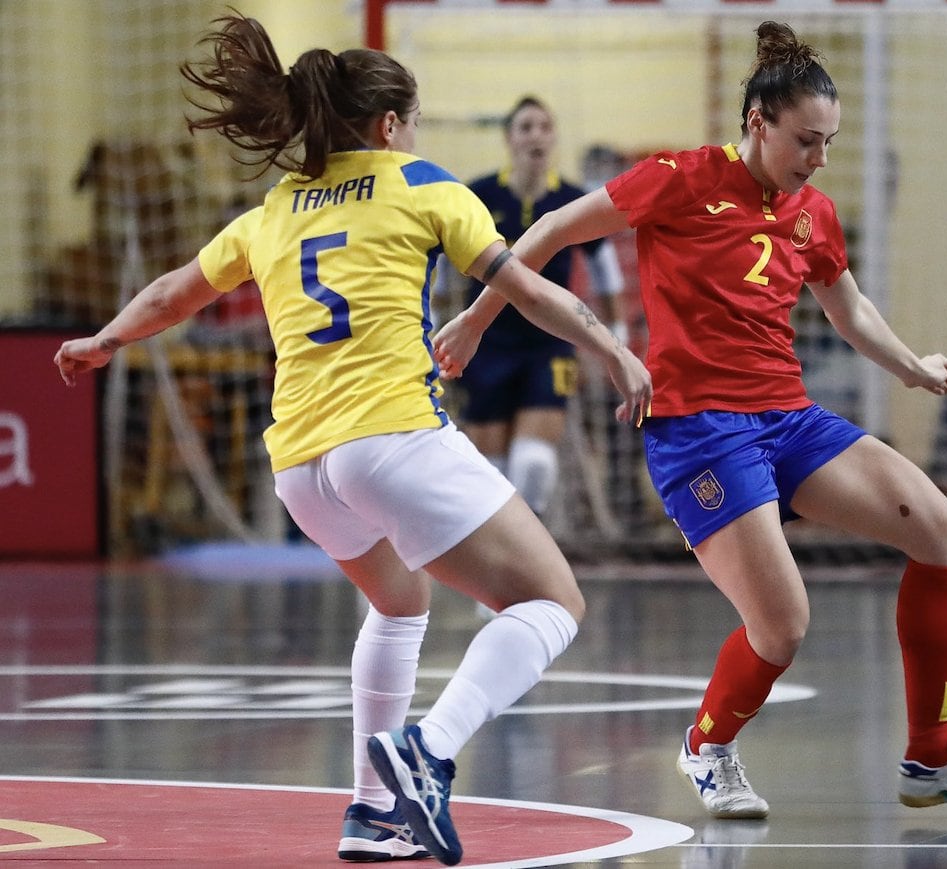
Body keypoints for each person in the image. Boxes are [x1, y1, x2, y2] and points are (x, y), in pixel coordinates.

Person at [53, 12, 650, 866]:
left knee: (399, 602)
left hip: (300, 465)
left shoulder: (275, 208)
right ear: (387, 126)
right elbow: (527, 287)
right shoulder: (424, 183)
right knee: (552, 601)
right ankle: (429, 749)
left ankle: (372, 812)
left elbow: (173, 290)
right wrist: (616, 348)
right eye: (412, 118)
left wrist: (105, 339)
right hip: (391, 437)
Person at [433, 20, 947, 820]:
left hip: (789, 417)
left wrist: (912, 365)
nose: (818, 160)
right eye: (805, 142)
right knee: (780, 625)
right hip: (698, 429)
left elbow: (847, 311)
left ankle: (931, 756)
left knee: (945, 534)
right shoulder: (678, 179)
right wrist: (475, 316)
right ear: (757, 123)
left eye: (828, 143)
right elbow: (545, 234)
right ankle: (706, 747)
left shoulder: (811, 212)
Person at [448, 97, 629, 522]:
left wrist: (615, 338)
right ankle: (491, 578)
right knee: (490, 474)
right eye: (525, 127)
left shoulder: (572, 199)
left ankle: (525, 559)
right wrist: (441, 322)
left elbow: (606, 269)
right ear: (508, 139)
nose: (536, 136)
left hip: (550, 345)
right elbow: (444, 266)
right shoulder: (478, 195)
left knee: (533, 466)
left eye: (545, 127)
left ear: (554, 139)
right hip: (487, 344)